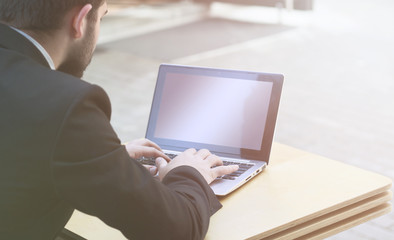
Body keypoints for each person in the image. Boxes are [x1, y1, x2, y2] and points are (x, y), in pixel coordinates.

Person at [0, 0, 238, 239]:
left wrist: (104, 157)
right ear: (80, 20)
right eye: (101, 17)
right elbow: (176, 231)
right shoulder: (65, 105)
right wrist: (188, 172)